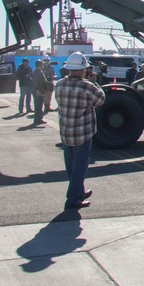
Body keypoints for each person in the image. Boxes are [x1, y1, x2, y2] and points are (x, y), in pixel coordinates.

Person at [54, 52, 105, 210]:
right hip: (82, 133)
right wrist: (94, 82)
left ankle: (79, 192)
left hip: (65, 131)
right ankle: (72, 199)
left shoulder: (60, 84)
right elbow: (100, 100)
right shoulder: (87, 86)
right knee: (80, 167)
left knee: (71, 166)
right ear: (83, 69)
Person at [31, 60, 48, 125]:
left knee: (39, 105)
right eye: (42, 65)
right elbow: (35, 82)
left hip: (41, 90)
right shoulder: (37, 72)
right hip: (38, 91)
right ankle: (38, 119)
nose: (43, 66)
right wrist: (37, 90)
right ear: (39, 65)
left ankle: (39, 118)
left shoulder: (39, 72)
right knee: (38, 105)